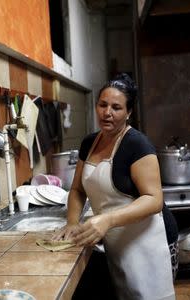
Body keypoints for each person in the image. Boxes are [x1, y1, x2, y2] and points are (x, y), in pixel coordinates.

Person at [55, 73, 178, 300]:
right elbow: (77, 190)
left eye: (116, 107)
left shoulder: (137, 144)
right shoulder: (89, 143)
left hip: (149, 240)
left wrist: (108, 219)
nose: (107, 112)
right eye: (102, 105)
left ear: (128, 112)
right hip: (117, 240)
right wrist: (72, 222)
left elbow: (154, 198)